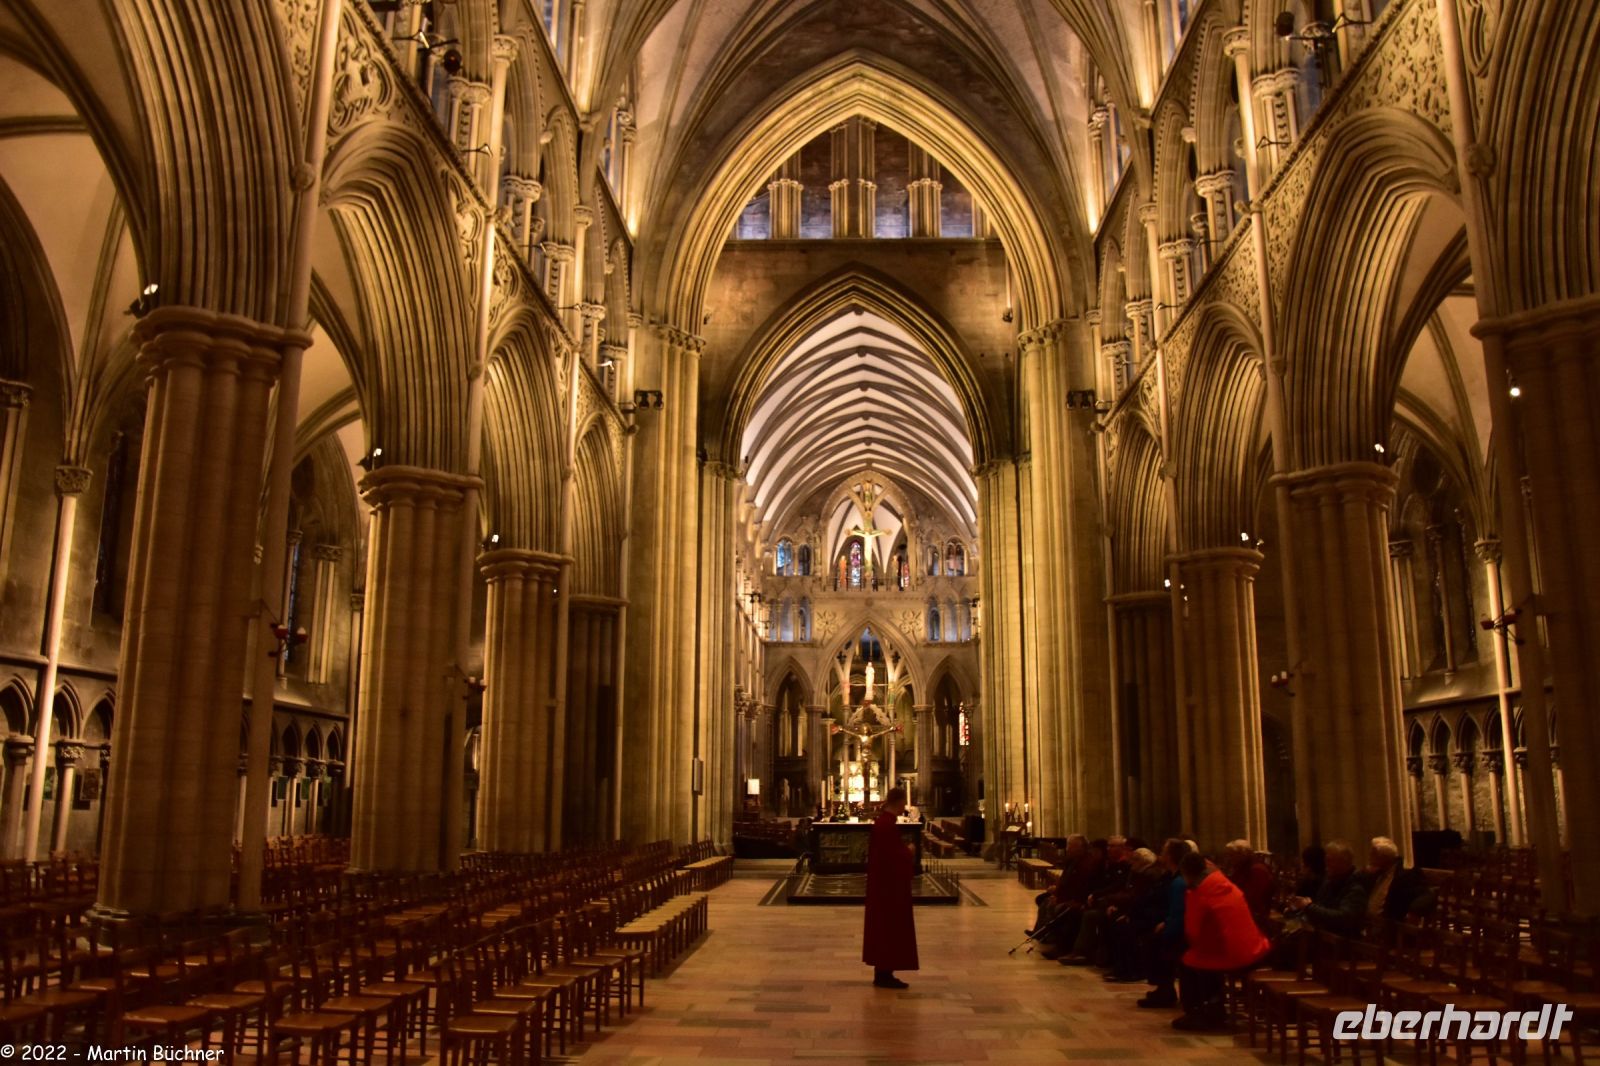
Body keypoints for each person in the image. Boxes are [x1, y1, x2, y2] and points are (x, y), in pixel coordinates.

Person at [1172, 851, 1271, 1030]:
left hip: (1236, 952)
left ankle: (1205, 1013)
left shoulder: (1203, 890)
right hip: (1252, 945)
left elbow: (1192, 931)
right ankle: (1210, 1008)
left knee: (1190, 962)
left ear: (1186, 873)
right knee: (1195, 959)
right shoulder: (1219, 882)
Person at [863, 787, 918, 988]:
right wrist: (909, 852)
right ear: (899, 801)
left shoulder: (885, 823)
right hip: (888, 889)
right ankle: (884, 973)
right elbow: (893, 856)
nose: (905, 806)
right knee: (889, 928)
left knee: (886, 929)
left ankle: (884, 972)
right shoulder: (886, 825)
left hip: (885, 886)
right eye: (904, 802)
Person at [1287, 840, 1368, 937]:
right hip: (1322, 937)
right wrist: (1300, 908)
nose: (1326, 865)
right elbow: (1320, 907)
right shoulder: (1329, 883)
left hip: (1341, 945)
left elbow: (1343, 919)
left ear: (1343, 862)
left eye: (1330, 860)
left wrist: (1309, 907)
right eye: (1326, 860)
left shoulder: (1355, 889)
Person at [1361, 836, 1434, 926]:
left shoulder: (1407, 872)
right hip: (1369, 924)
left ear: (1384, 857)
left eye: (1373, 854)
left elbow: (1426, 895)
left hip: (1392, 926)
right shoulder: (1377, 872)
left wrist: (1414, 911)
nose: (1369, 856)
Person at [1223, 839, 1274, 932]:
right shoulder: (1240, 868)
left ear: (1242, 854)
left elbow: (1252, 898)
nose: (1228, 858)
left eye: (1231, 855)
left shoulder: (1257, 870)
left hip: (1254, 918)